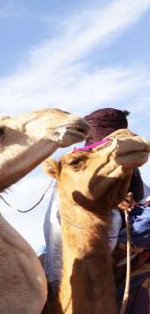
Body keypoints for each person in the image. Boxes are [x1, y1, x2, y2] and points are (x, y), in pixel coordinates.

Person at [42, 108, 148, 285]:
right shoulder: (76, 170)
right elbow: (55, 229)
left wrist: (136, 206)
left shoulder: (131, 173)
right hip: (78, 257)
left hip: (126, 257)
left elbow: (145, 200)